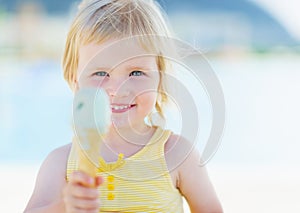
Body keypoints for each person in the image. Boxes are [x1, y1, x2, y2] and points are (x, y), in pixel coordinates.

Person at [24, 0, 223, 212]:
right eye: (101, 73)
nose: (117, 89)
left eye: (136, 73)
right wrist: (65, 205)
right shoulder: (61, 163)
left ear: (160, 79)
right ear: (76, 82)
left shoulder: (176, 155)